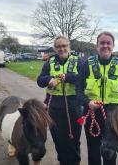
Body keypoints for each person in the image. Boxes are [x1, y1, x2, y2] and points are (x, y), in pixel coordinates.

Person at [76, 31, 118, 165]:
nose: (105, 46)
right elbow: (78, 91)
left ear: (113, 46)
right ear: (97, 46)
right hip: (92, 116)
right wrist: (87, 103)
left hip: (114, 119)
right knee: (93, 153)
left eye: (108, 43)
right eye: (102, 43)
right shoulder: (87, 65)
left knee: (110, 155)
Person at [37, 36, 83, 165]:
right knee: (58, 139)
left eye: (64, 46)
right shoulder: (49, 63)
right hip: (54, 108)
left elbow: (85, 80)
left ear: (69, 46)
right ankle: (62, 161)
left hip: (75, 108)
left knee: (74, 139)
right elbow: (40, 80)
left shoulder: (79, 62)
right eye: (58, 46)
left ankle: (74, 162)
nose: (62, 49)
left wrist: (68, 77)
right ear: (55, 48)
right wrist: (48, 80)